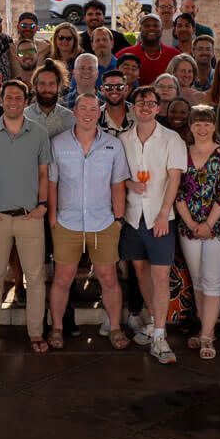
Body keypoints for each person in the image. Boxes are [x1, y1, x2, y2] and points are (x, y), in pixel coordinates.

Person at [47, 94, 132, 351]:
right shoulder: (58, 143)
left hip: (103, 222)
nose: (87, 113)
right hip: (67, 222)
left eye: (93, 109)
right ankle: (57, 328)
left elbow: (118, 185)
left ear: (99, 112)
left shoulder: (113, 145)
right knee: (63, 277)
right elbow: (52, 184)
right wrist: (53, 218)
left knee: (108, 277)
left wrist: (118, 219)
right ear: (74, 111)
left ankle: (115, 327)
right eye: (82, 108)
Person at [0, 79, 53, 354]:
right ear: (2, 99)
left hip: (30, 217)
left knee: (35, 278)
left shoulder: (39, 133)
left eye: (18, 98)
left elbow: (44, 173)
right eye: (8, 97)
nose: (12, 102)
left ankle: (35, 334)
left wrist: (42, 206)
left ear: (25, 101)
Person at [119, 86, 186, 363]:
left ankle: (159, 336)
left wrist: (163, 214)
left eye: (150, 103)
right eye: (140, 102)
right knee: (140, 270)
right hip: (132, 217)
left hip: (160, 218)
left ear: (159, 108)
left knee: (160, 276)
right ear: (132, 107)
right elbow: (116, 173)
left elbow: (175, 179)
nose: (145, 107)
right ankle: (155, 322)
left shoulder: (171, 139)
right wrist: (127, 182)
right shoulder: (122, 139)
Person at [174, 105, 220, 360]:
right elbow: (177, 191)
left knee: (212, 279)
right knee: (198, 280)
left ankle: (208, 336)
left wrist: (208, 224)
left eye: (207, 124)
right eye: (197, 124)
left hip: (219, 227)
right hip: (188, 227)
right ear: (190, 127)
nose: (202, 128)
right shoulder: (182, 153)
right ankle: (204, 328)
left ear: (214, 126)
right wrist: (191, 224)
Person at [118, 14, 179, 85]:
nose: (151, 28)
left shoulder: (174, 55)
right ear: (140, 29)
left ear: (162, 29)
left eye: (155, 26)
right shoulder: (124, 54)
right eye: (147, 26)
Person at [25, 59, 76, 138]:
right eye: (42, 84)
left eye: (51, 84)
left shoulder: (70, 119)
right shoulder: (24, 117)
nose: (47, 89)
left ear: (58, 86)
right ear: (35, 86)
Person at [98, 68, 135, 136]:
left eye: (119, 87)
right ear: (102, 89)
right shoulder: (96, 116)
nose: (114, 91)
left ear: (126, 89)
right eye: (109, 87)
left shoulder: (138, 113)